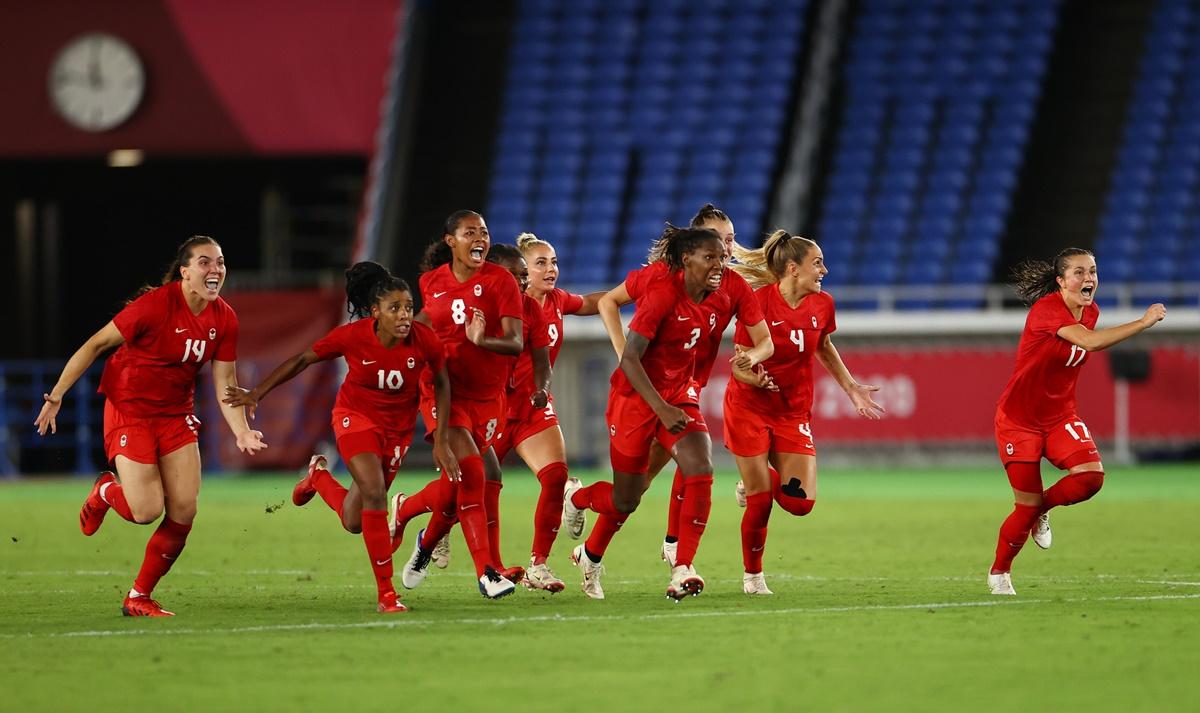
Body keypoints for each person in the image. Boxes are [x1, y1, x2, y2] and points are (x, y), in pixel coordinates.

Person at [34, 236, 267, 617]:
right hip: (130, 409)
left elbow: (225, 381)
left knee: (184, 511)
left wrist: (240, 430)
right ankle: (106, 490)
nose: (216, 270)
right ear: (185, 271)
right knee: (144, 511)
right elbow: (96, 344)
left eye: (221, 262)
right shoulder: (155, 306)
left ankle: (138, 596)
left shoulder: (224, 317)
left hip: (175, 415)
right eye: (206, 263)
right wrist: (57, 393)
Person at [222, 262, 456, 613]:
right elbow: (303, 359)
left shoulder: (425, 341)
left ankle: (317, 477)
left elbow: (442, 382)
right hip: (355, 419)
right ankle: (387, 595)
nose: (405, 315)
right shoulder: (353, 336)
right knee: (375, 492)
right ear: (376, 312)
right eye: (395, 308)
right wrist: (258, 391)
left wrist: (439, 437)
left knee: (353, 521)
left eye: (408, 306)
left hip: (397, 431)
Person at [562, 226, 772, 600]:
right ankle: (577, 498)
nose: (721, 262)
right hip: (634, 402)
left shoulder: (724, 292)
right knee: (627, 498)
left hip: (680, 396)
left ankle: (682, 568)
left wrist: (748, 360)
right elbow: (629, 359)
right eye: (712, 256)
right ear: (687, 258)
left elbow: (758, 339)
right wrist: (659, 407)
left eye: (723, 255)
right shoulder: (661, 293)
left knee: (700, 465)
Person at [988, 248, 1165, 595]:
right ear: (1061, 281)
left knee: (1090, 479)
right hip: (1019, 421)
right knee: (1023, 506)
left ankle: (1041, 509)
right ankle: (999, 573)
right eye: (1080, 272)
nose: (1089, 279)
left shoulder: (1091, 310)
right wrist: (1142, 322)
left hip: (1059, 417)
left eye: (1093, 271)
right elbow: (1090, 343)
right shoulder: (1046, 310)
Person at [724, 231, 884, 594]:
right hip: (749, 407)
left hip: (793, 412)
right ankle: (753, 577)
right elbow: (737, 363)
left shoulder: (823, 304)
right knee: (762, 500)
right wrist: (752, 375)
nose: (824, 270)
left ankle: (753, 481)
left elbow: (824, 346)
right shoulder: (758, 303)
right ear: (793, 269)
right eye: (818, 263)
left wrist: (851, 388)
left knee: (800, 504)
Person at [387, 210, 522, 599]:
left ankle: (415, 526)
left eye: (483, 231)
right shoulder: (432, 282)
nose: (479, 237)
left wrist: (481, 341)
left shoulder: (501, 282)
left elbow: (514, 342)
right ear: (451, 241)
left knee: (452, 489)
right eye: (470, 232)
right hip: (444, 391)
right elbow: (432, 319)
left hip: (487, 398)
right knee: (474, 473)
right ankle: (486, 572)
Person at [420, 243, 551, 585]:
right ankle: (489, 569)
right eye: (515, 275)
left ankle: (413, 519)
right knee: (478, 473)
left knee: (463, 485)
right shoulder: (467, 305)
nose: (521, 282)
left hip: (493, 404)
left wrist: (542, 388)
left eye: (525, 275)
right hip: (452, 396)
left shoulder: (529, 310)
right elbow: (425, 332)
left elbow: (537, 359)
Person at [487, 233, 605, 591]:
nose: (551, 269)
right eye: (541, 263)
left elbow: (588, 303)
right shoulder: (505, 307)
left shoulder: (555, 301)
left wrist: (628, 294)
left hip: (533, 410)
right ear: (522, 270)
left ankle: (538, 565)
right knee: (460, 493)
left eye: (553, 262)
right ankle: (414, 513)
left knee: (555, 476)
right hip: (493, 411)